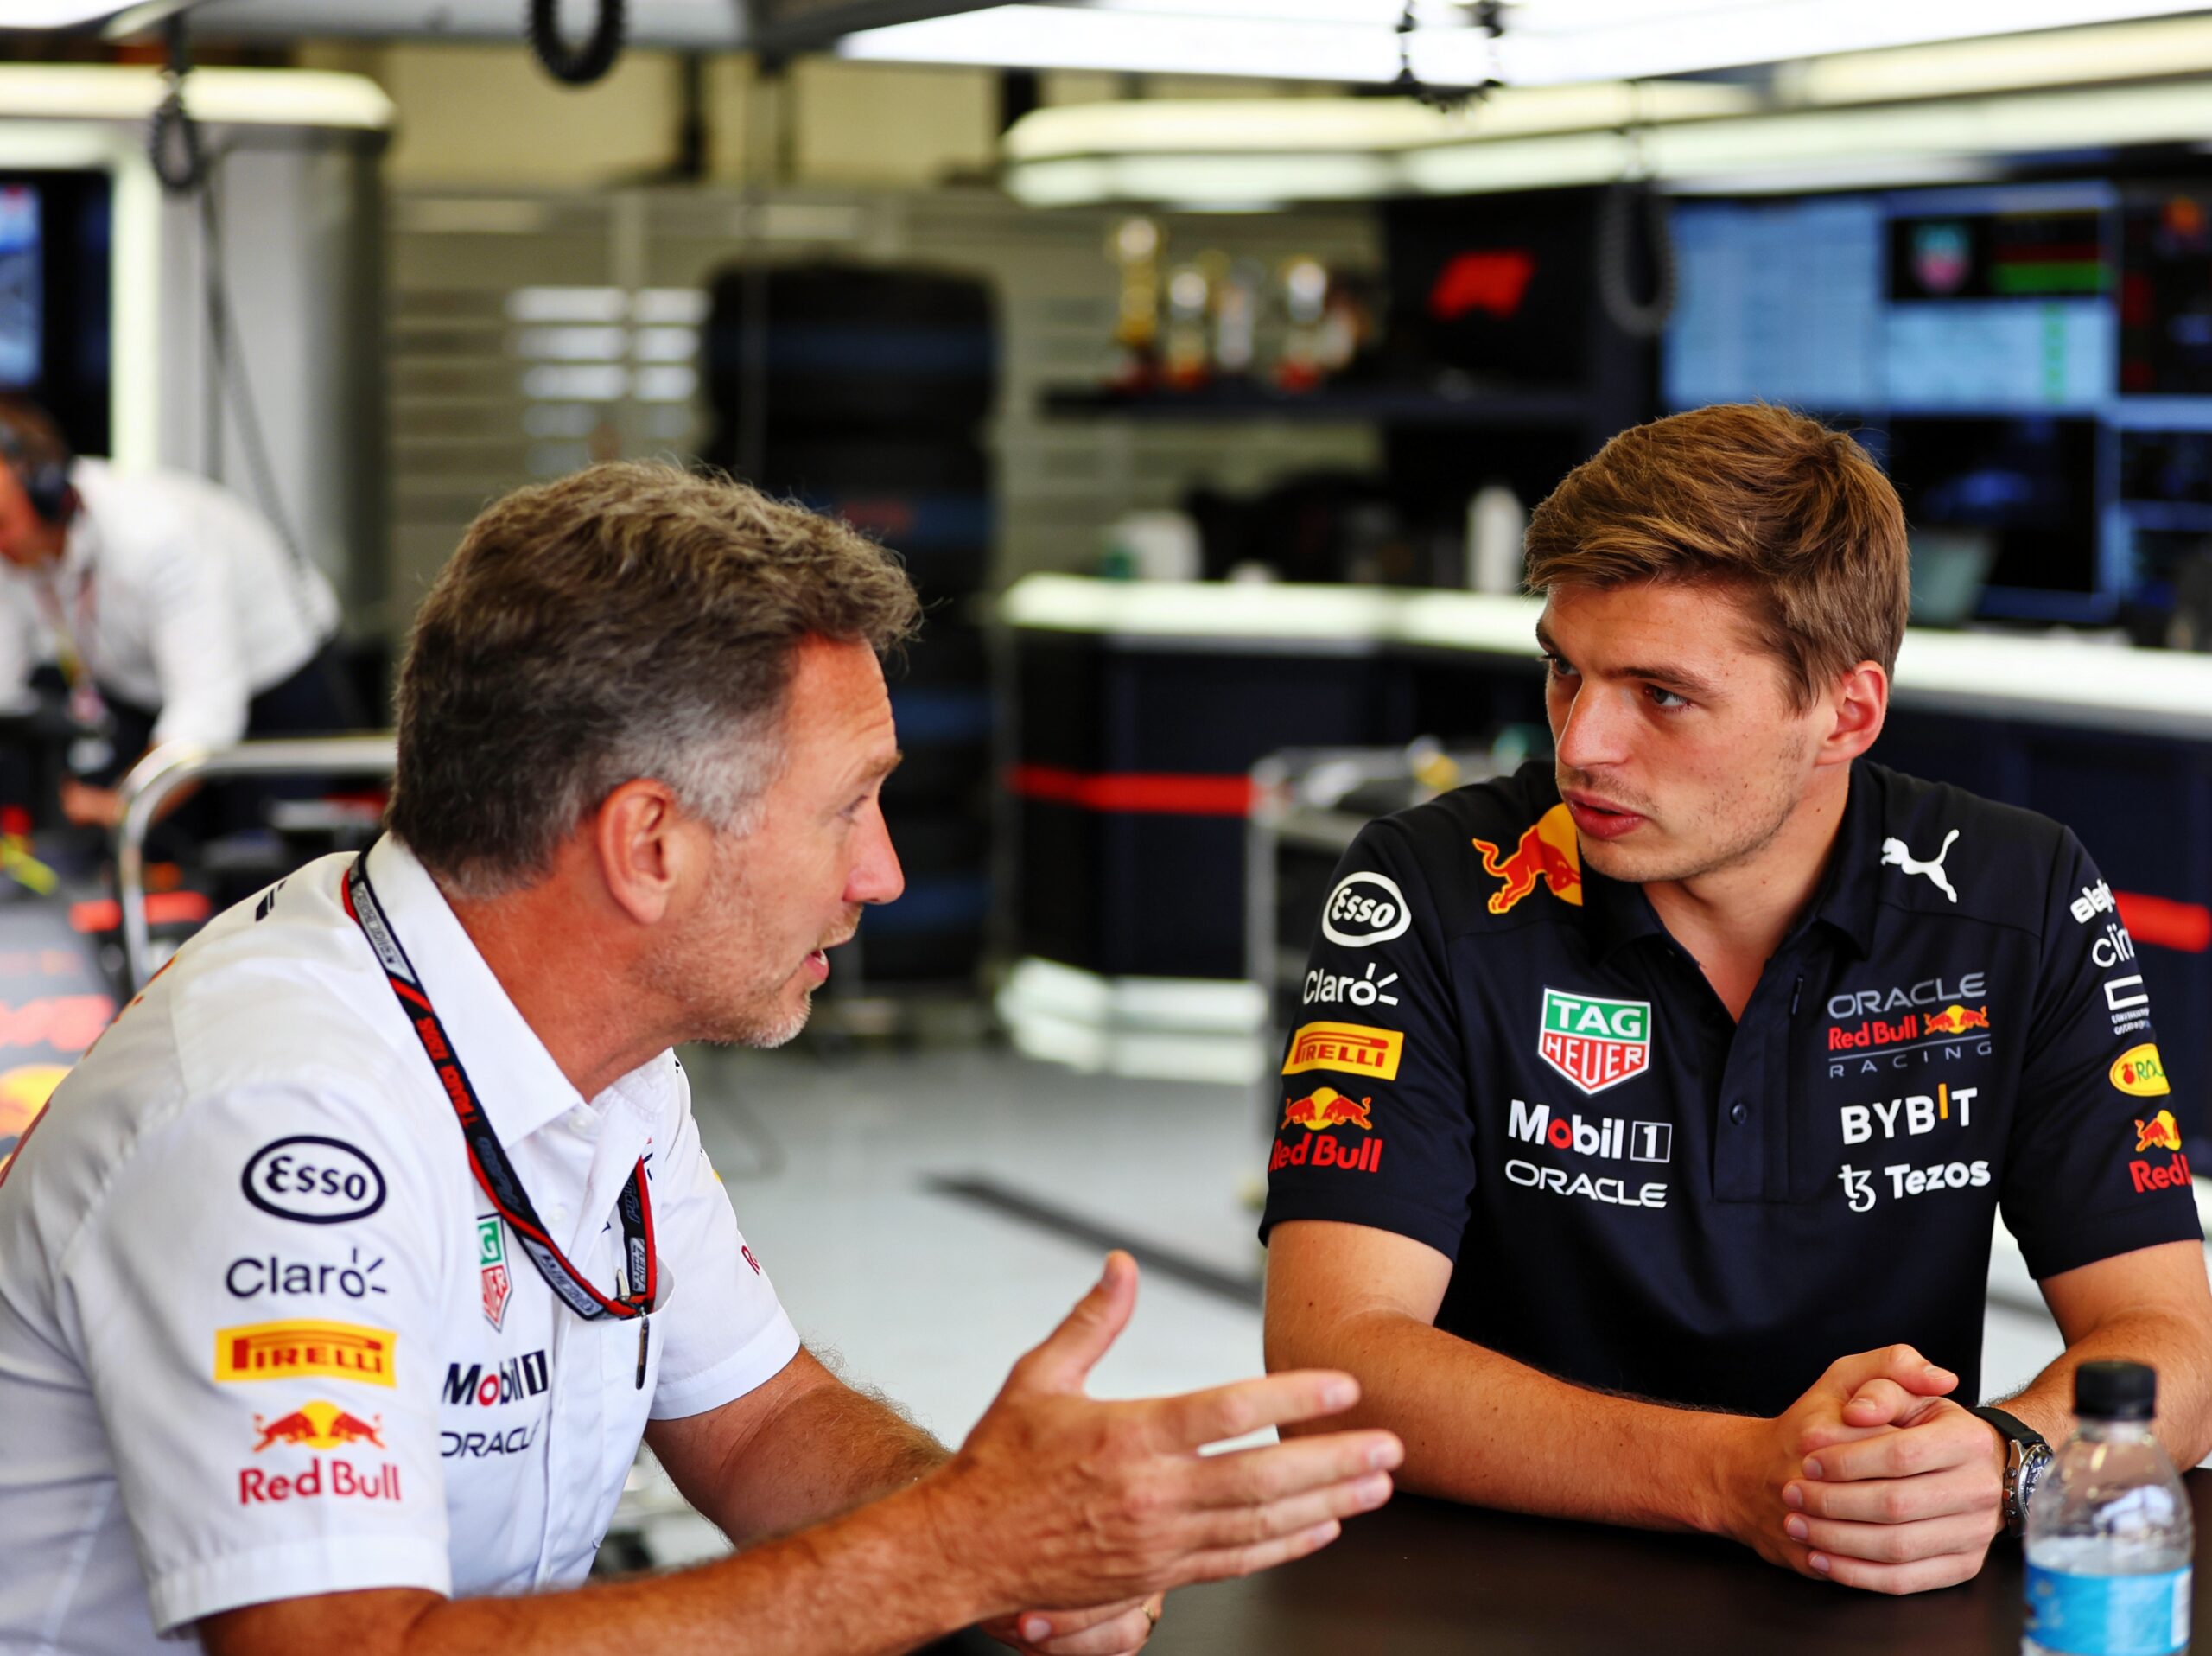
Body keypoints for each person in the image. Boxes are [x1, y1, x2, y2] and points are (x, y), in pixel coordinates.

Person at [0, 462, 1401, 1654]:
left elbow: (762, 1421)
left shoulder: (589, 1041)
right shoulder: (275, 1115)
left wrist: (1010, 1550)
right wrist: (947, 1555)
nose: (885, 874)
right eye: (848, 808)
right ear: (649, 845)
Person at [1262, 402, 2212, 1596]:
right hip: (1482, 1595)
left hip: (1869, 1595)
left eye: (1661, 694)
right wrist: (1731, 1476)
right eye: (1564, 670)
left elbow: (2174, 1346)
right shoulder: (1428, 886)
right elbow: (1332, 1363)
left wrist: (2002, 1462)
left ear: (1845, 713)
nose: (1582, 745)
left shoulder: (2017, 897)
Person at [0, 397, 357, 829]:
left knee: (253, 854)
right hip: (145, 693)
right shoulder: (14, 551)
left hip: (277, 682)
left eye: (2, 522)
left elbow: (207, 711)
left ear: (47, 493)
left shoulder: (156, 537)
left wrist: (121, 808)